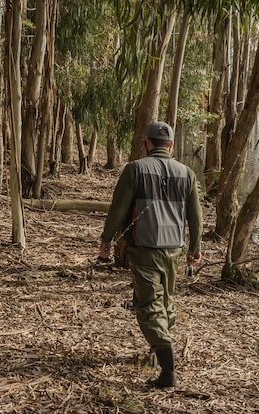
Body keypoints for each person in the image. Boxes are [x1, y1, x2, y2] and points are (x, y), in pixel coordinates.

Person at [99, 121, 203, 388]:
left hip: (144, 248)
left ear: (146, 142)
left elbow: (118, 208)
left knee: (147, 307)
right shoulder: (187, 173)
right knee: (165, 301)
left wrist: (106, 240)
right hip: (174, 249)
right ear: (170, 145)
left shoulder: (135, 169)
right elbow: (195, 216)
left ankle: (168, 370)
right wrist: (195, 248)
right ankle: (159, 353)